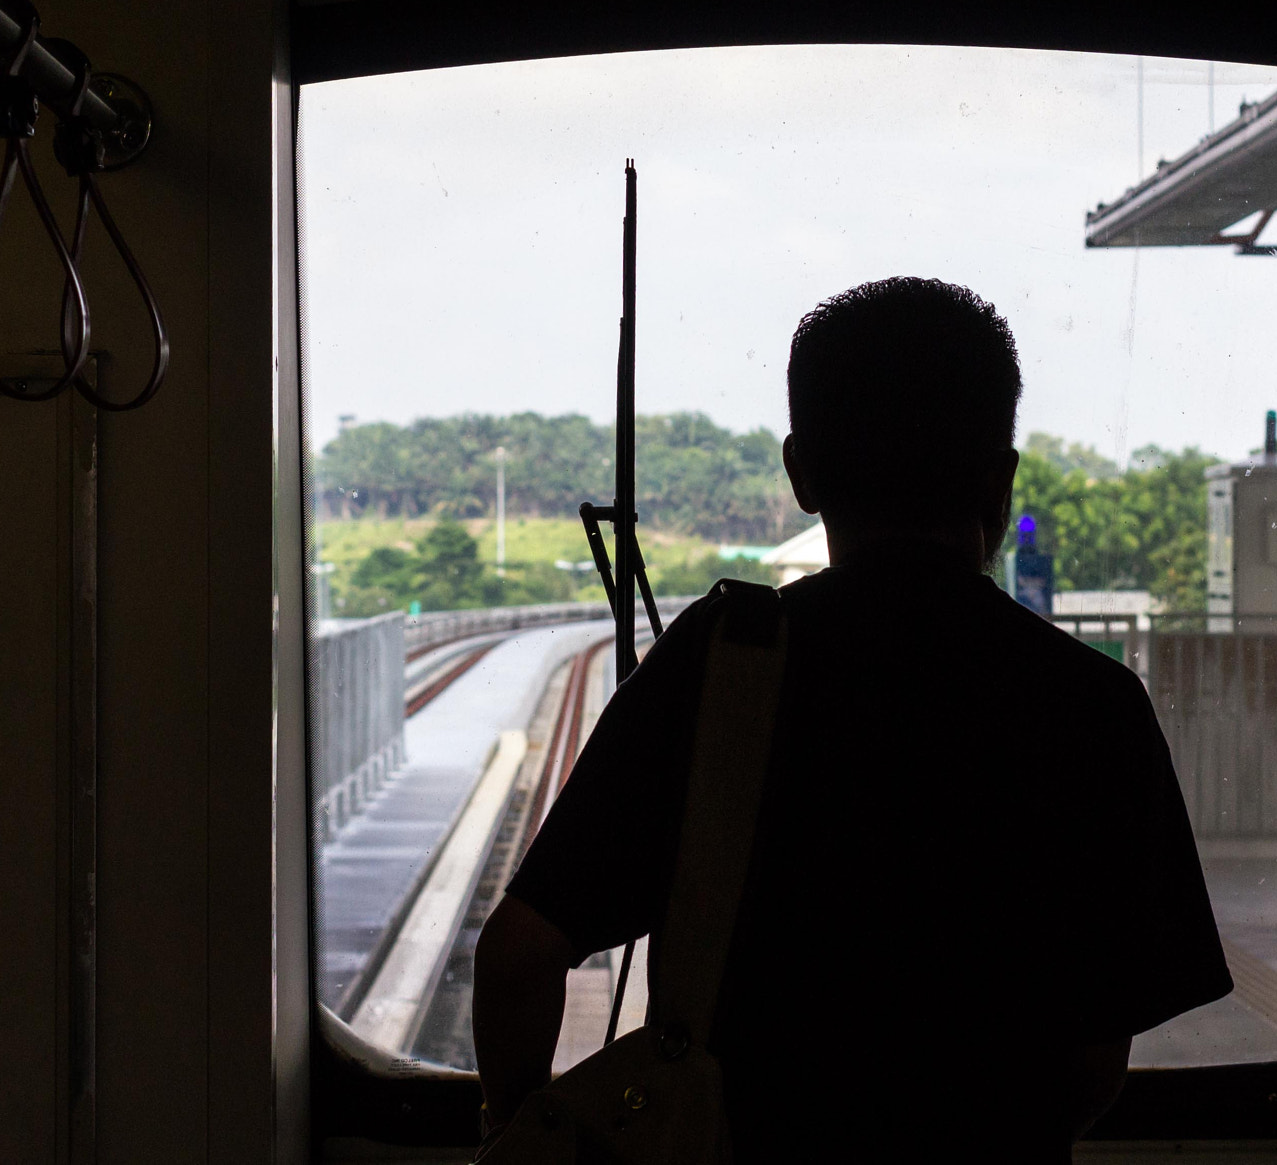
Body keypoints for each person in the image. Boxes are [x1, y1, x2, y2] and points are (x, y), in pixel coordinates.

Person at [473, 277, 1231, 1161]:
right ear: (1000, 478)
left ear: (802, 473)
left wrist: (514, 1132)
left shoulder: (724, 660)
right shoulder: (1093, 704)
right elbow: (1095, 1060)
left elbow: (519, 954)